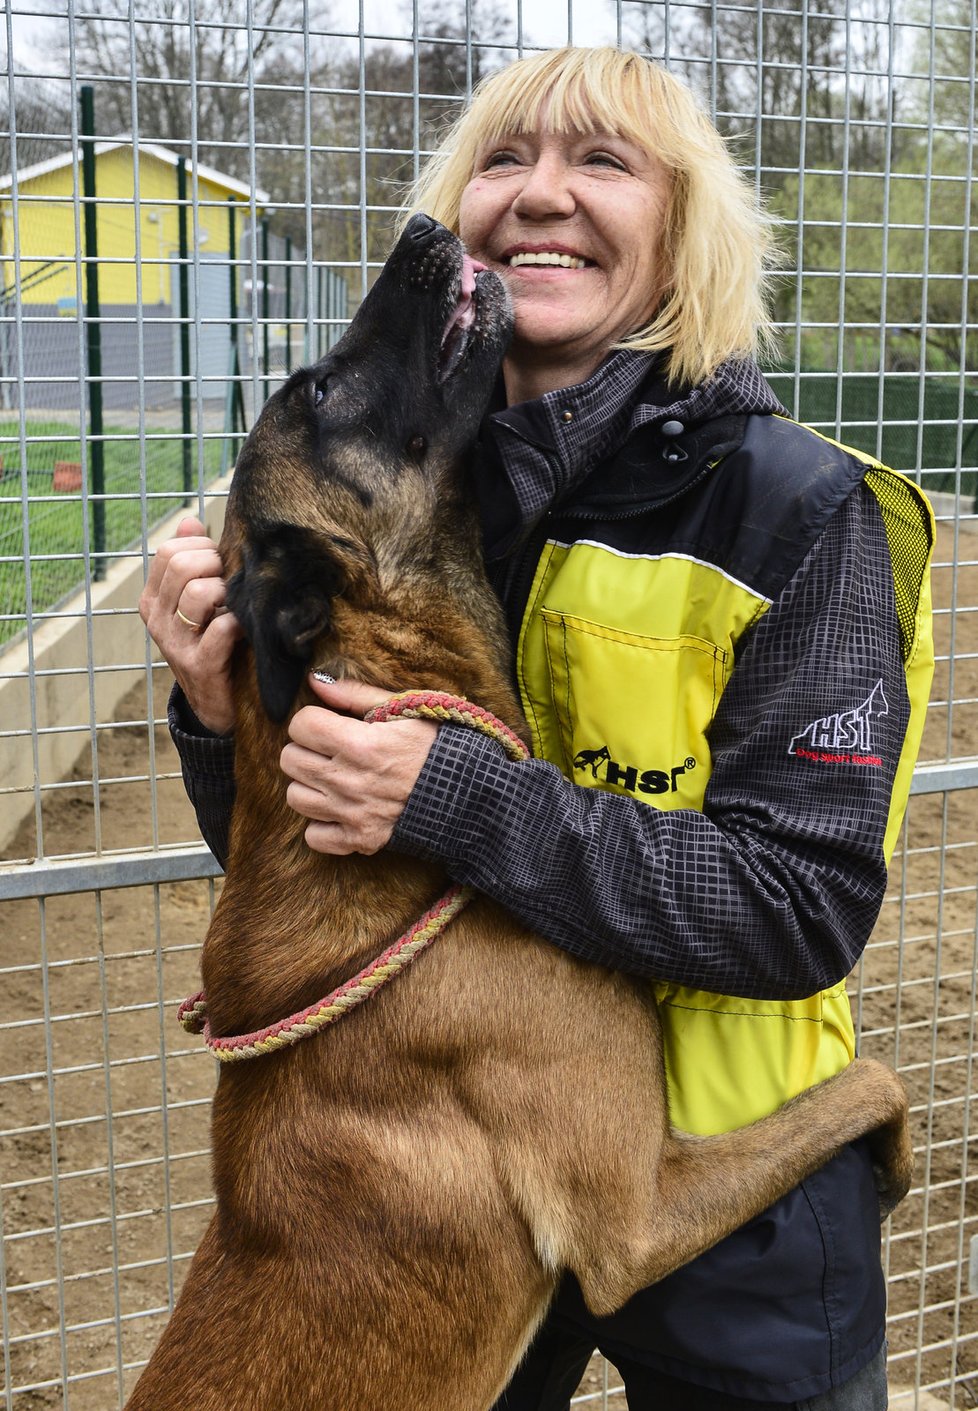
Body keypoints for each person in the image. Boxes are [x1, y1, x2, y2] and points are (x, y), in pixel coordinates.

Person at [140, 46, 935, 1411]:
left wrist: (458, 799)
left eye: (601, 162)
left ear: (683, 230)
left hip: (734, 1184)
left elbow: (797, 909)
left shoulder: (798, 516)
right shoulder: (418, 502)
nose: (540, 194)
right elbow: (338, 906)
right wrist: (224, 722)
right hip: (465, 1197)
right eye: (505, 161)